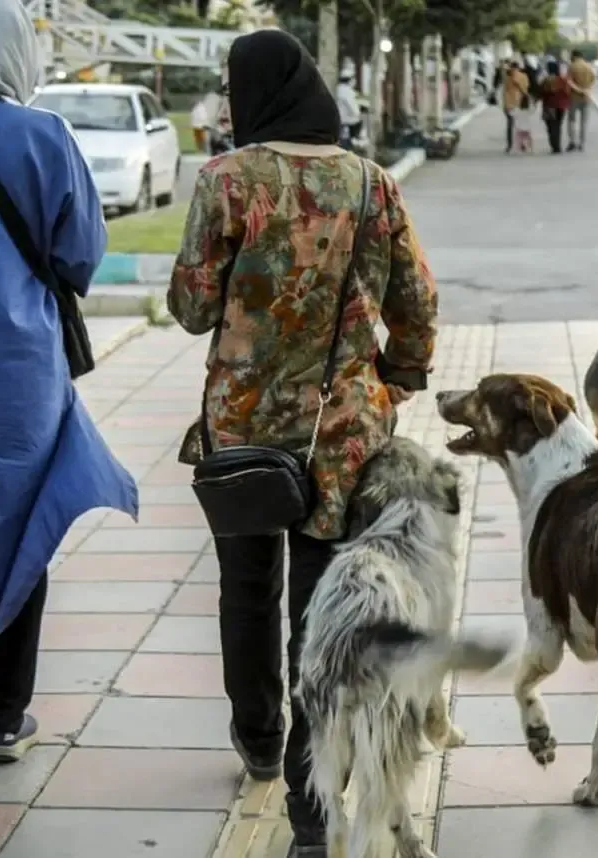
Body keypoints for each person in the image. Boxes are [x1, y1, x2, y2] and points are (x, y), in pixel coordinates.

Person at [167, 29, 437, 858]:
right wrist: (394, 377)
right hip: (343, 439)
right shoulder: (369, 184)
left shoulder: (226, 182)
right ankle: (311, 813)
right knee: (319, 619)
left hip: (242, 432)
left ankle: (255, 734)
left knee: (246, 594)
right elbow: (417, 302)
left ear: (253, 92)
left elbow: (191, 307)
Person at [0, 0, 138, 764]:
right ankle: (4, 715)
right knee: (22, 519)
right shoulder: (42, 137)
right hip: (13, 371)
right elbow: (79, 254)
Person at [539, 59, 571, 155]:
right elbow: (567, 92)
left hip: (549, 106)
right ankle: (557, 146)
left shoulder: (546, 80)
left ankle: (554, 146)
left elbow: (541, 92)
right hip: (561, 106)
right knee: (558, 126)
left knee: (551, 126)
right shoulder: (562, 79)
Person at [567, 49, 596, 151]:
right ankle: (582, 143)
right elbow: (593, 80)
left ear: (574, 56)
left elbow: (569, 81)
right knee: (583, 122)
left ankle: (572, 142)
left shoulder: (572, 66)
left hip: (574, 97)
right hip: (586, 97)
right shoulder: (589, 66)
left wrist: (579, 90)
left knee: (572, 120)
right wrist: (587, 90)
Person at [501, 60, 531, 153]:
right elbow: (525, 89)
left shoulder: (514, 77)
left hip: (514, 103)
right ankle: (516, 144)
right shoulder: (511, 77)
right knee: (516, 124)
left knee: (514, 125)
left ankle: (515, 145)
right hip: (515, 103)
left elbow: (524, 91)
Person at [335, 70, 361, 149]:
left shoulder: (338, 89)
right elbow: (353, 108)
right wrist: (357, 114)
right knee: (345, 143)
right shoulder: (347, 91)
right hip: (346, 121)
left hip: (339, 121)